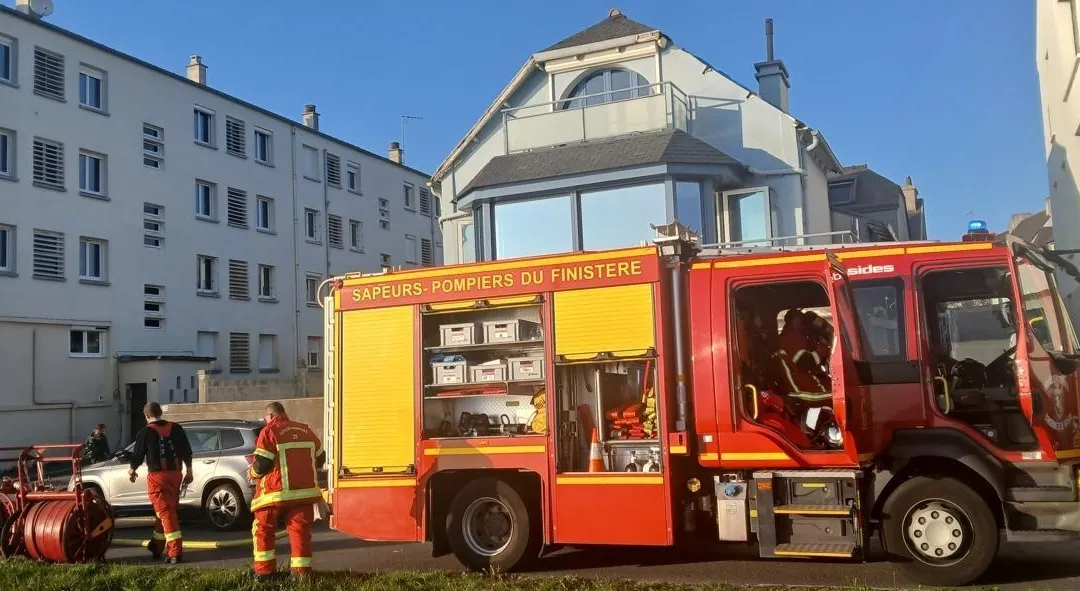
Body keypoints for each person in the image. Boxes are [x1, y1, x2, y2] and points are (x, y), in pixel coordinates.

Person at [250, 401, 325, 580]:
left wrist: (251, 473)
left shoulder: (269, 431)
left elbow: (262, 465)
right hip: (304, 494)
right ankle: (301, 574)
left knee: (263, 529)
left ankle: (264, 572)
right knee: (300, 531)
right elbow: (320, 459)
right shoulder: (306, 430)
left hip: (275, 494)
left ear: (269, 416)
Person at [128, 402, 193, 564]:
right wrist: (189, 471)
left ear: (146, 416)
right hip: (176, 475)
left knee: (165, 513)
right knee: (165, 511)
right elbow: (186, 450)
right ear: (160, 413)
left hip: (157, 477)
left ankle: (175, 552)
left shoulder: (145, 432)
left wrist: (132, 469)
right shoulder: (176, 428)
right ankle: (157, 545)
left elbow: (137, 454)